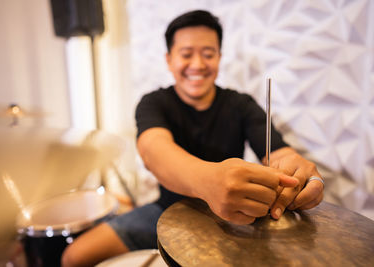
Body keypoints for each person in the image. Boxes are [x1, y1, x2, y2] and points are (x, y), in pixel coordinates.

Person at [62, 10, 324, 267]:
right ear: (169, 59)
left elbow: (279, 154)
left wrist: (299, 172)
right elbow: (154, 151)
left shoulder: (241, 105)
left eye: (208, 54)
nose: (198, 65)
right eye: (186, 54)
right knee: (74, 257)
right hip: (165, 210)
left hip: (238, 217)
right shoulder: (155, 103)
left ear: (219, 57)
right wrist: (209, 181)